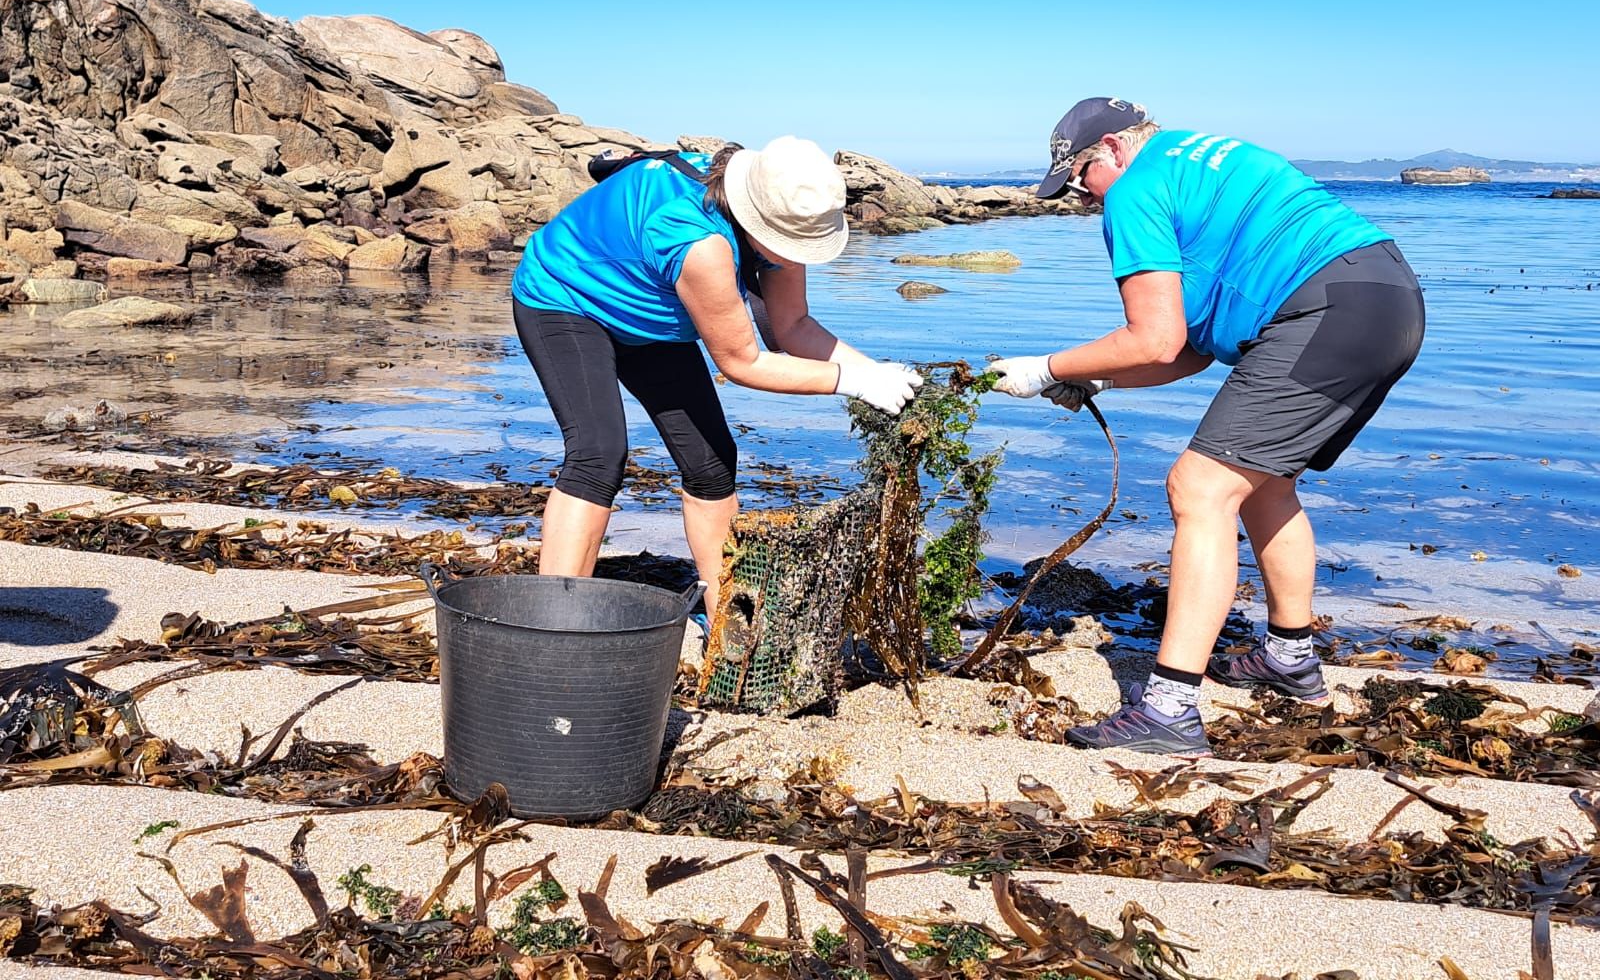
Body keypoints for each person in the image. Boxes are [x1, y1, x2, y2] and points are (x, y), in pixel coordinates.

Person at [989, 98, 1425, 756]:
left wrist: (1043, 367)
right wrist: (1097, 378)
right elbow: (1187, 345)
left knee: (1199, 489)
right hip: (1385, 297)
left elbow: (1153, 339)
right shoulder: (1195, 160)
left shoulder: (1133, 190)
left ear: (1110, 148)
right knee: (1265, 484)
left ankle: (1168, 709)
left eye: (1079, 179)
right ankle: (1289, 658)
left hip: (1323, 311)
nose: (1080, 199)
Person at [511, 136, 922, 627]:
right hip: (566, 299)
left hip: (654, 318)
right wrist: (849, 383)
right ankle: (553, 622)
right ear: (757, 219)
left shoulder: (781, 215)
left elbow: (791, 328)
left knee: (712, 462)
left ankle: (725, 618)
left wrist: (873, 373)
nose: (799, 255)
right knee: (599, 453)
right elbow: (742, 362)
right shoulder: (701, 243)